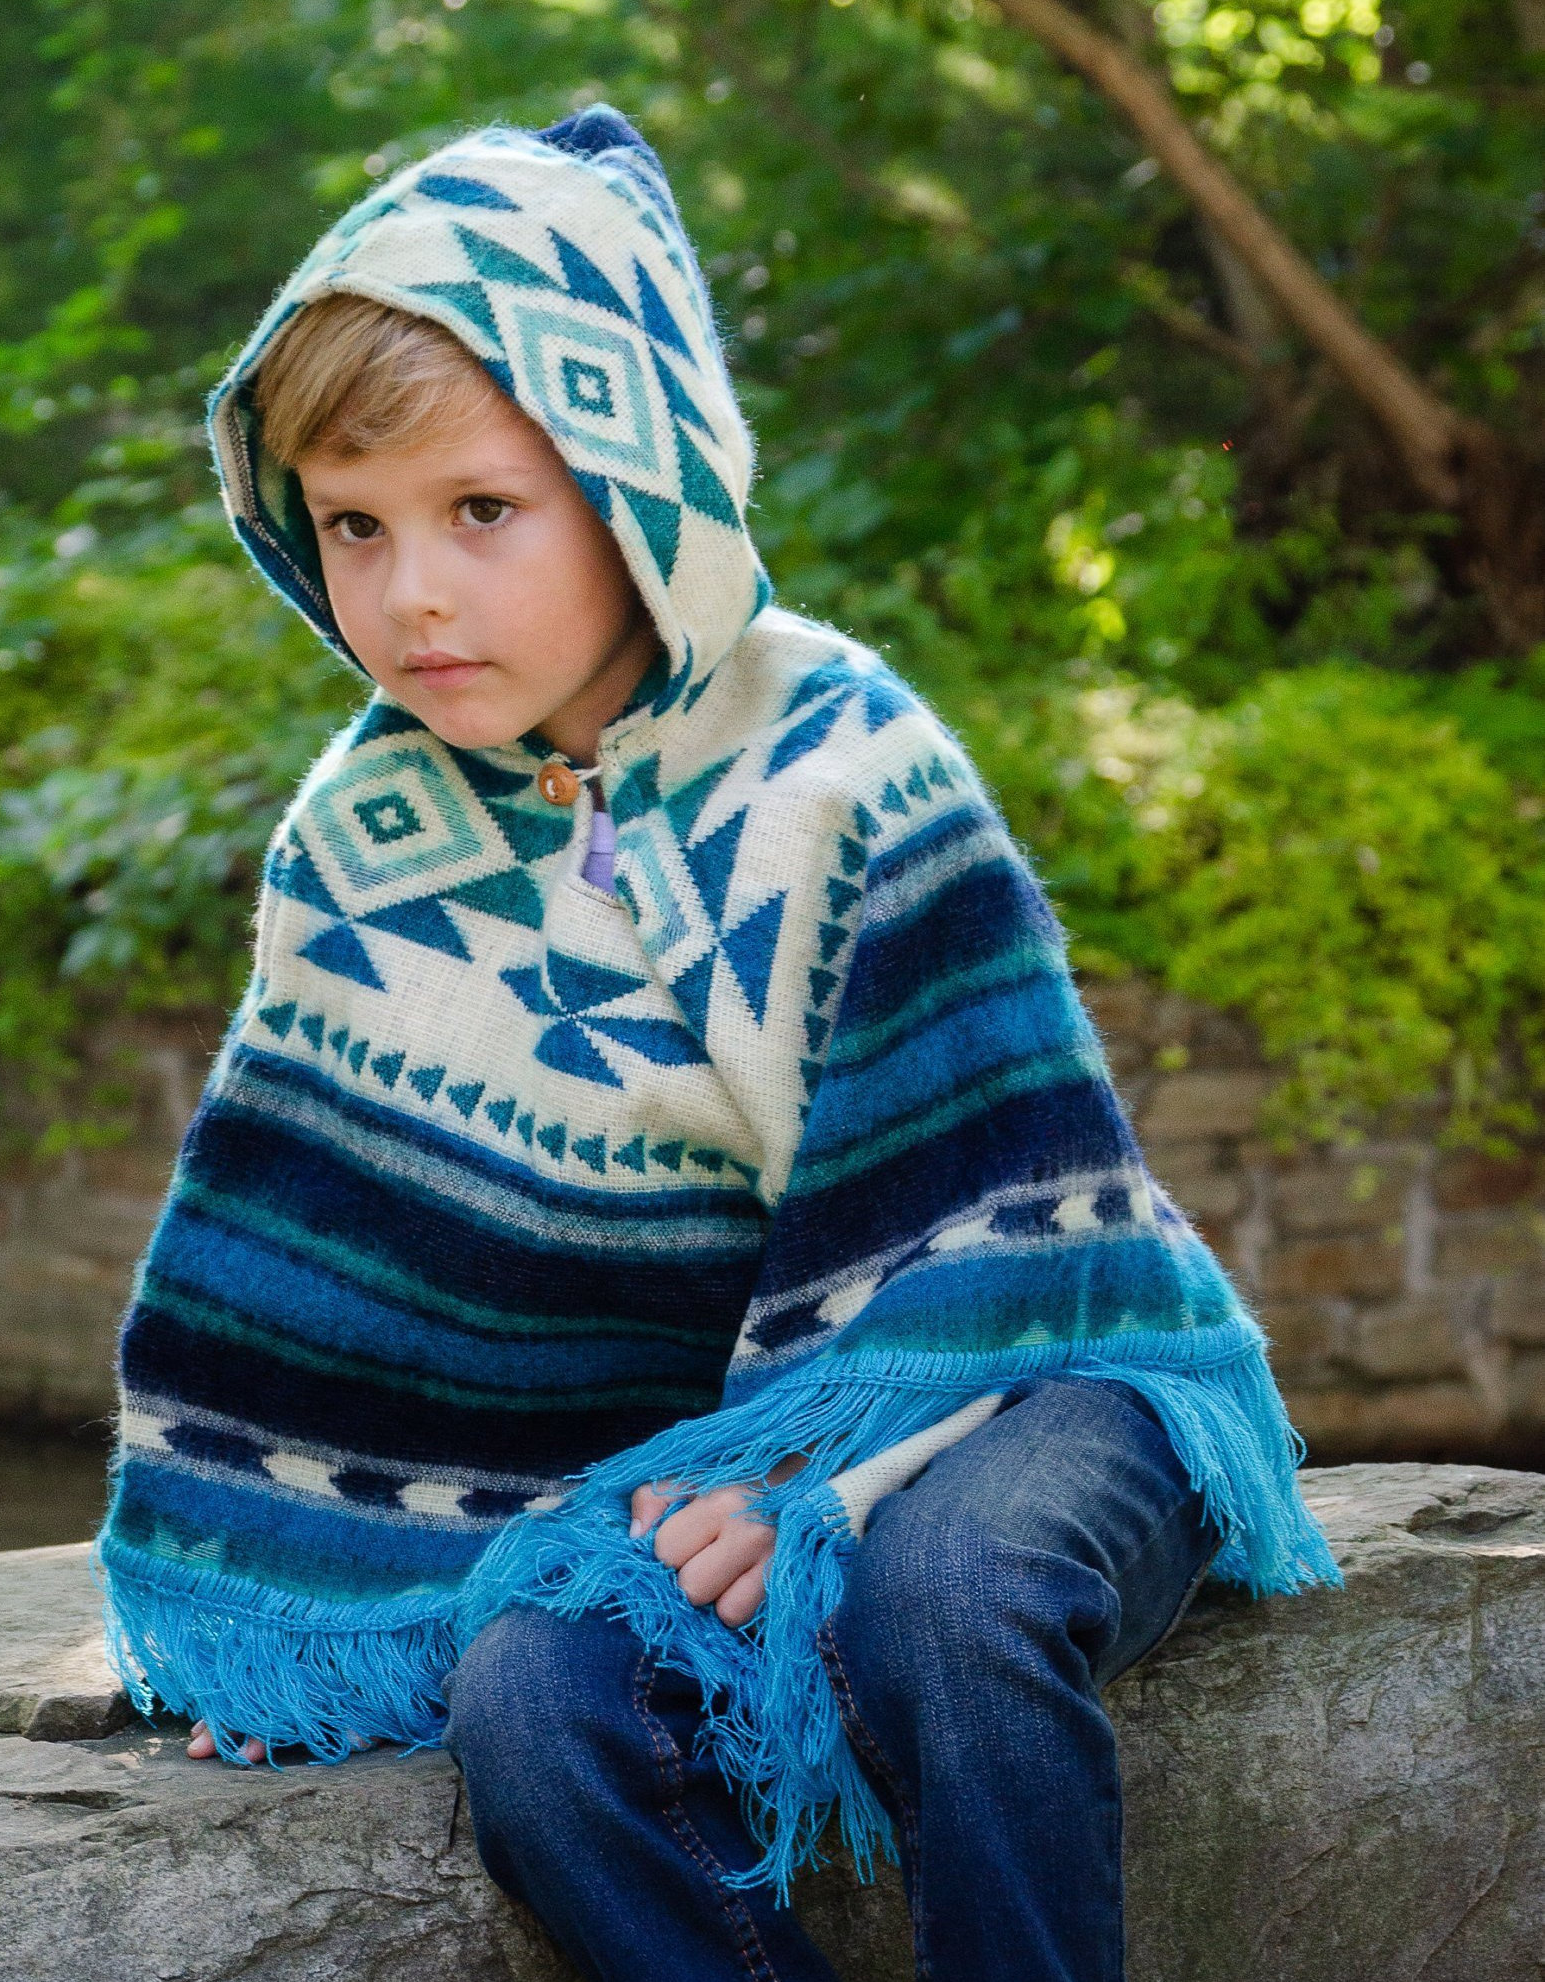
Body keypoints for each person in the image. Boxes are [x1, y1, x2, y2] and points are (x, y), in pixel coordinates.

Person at [93, 105, 1338, 1982]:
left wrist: (819, 1488)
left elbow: (1016, 1241)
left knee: (938, 1597)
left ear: (634, 477)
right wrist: (308, 1611)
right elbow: (342, 1298)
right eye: (355, 524)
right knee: (532, 1701)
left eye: (481, 511)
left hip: (1041, 1380)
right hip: (711, 1463)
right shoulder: (365, 845)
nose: (412, 591)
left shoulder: (843, 761)